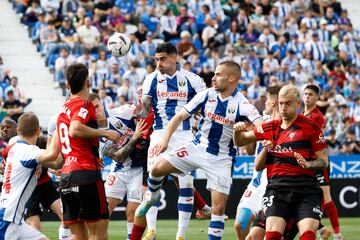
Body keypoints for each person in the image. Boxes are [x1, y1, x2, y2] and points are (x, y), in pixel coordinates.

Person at [132, 61, 263, 240]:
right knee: (156, 169)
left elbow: (261, 126)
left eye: (218, 75)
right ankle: (153, 197)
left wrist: (247, 131)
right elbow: (179, 116)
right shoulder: (206, 95)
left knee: (218, 211)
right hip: (196, 148)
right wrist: (165, 140)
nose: (213, 78)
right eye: (214, 74)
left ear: (232, 78)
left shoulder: (243, 104)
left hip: (221, 159)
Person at [132, 42, 211, 240]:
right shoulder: (151, 79)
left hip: (184, 136)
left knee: (186, 182)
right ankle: (151, 230)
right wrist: (137, 110)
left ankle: (180, 234)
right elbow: (145, 110)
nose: (159, 63)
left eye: (163, 59)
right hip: (159, 134)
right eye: (156, 59)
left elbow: (207, 107)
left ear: (175, 58)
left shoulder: (193, 80)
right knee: (153, 181)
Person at [233, 84, 329, 240]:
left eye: (288, 103)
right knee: (271, 236)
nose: (283, 107)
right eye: (281, 103)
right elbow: (241, 140)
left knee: (308, 236)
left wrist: (308, 164)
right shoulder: (270, 127)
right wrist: (236, 132)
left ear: (298, 104)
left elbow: (324, 161)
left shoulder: (311, 127)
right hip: (277, 190)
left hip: (306, 190)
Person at [56, 63, 120, 240]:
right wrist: (105, 133)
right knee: (99, 233)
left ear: (67, 85)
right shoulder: (84, 104)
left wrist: (55, 164)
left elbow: (55, 153)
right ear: (88, 82)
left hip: (66, 177)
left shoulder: (62, 110)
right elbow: (75, 130)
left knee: (78, 235)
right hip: (86, 174)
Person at [89, 93, 148, 240]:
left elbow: (144, 114)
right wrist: (134, 139)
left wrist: (143, 103)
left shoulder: (123, 112)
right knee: (104, 211)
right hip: (119, 169)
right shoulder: (96, 136)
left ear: (102, 103)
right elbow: (118, 156)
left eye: (97, 106)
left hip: (139, 168)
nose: (96, 111)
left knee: (133, 211)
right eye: (92, 109)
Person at [0, 113, 63, 239]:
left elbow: (54, 163)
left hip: (15, 219)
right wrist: (60, 131)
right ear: (38, 131)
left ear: (18, 130)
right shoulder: (30, 151)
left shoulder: (15, 147)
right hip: (8, 219)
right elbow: (54, 158)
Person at [234, 85, 281, 240]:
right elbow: (249, 151)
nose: (264, 103)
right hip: (255, 185)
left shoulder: (284, 125)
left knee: (264, 235)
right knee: (240, 224)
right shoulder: (262, 122)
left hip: (274, 187)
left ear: (273, 102)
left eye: (267, 99)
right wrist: (245, 131)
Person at [302, 84, 343, 240]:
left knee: (326, 198)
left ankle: (338, 235)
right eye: (305, 94)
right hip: (306, 160)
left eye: (310, 94)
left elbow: (311, 140)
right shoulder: (303, 113)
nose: (307, 97)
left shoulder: (317, 117)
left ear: (317, 98)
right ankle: (321, 229)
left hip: (318, 160)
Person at [24, 135, 71, 240]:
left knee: (67, 218)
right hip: (30, 189)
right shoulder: (27, 152)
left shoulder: (45, 153)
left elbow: (54, 164)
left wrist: (57, 169)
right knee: (35, 230)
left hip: (46, 185)